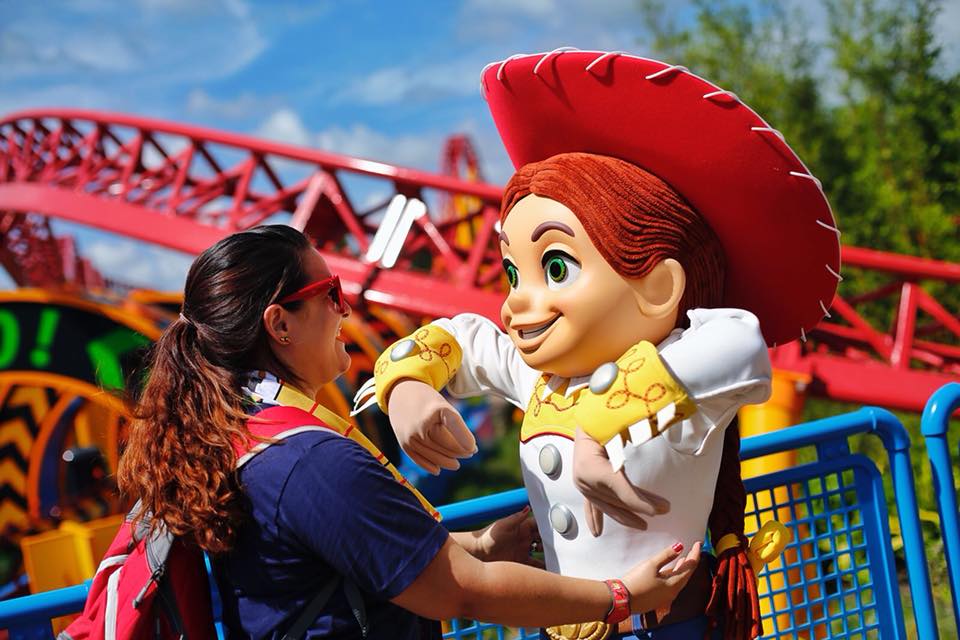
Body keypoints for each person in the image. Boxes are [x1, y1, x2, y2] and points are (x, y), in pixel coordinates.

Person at [355, 51, 839, 640]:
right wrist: (407, 389)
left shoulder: (685, 380)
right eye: (514, 275)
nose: (516, 303)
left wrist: (602, 426)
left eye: (554, 267)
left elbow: (740, 343)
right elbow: (462, 336)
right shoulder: (544, 381)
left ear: (659, 287)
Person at [116, 224, 701, 640]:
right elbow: (463, 592)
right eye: (330, 294)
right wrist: (620, 597)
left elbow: (346, 555)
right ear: (279, 325)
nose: (346, 311)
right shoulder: (309, 462)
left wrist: (475, 544)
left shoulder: (242, 439)